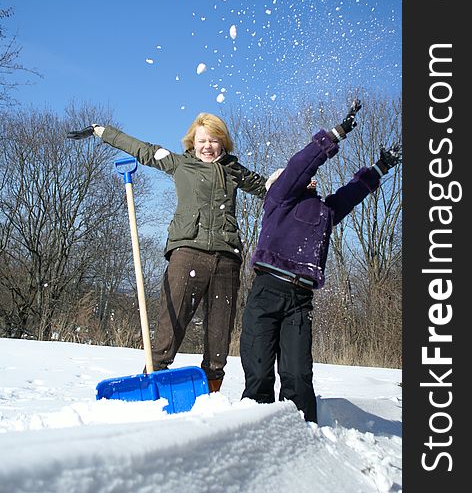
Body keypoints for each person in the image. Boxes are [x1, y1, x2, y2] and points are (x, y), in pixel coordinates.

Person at [67, 113, 267, 392]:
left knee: (220, 330)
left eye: (213, 140)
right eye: (202, 140)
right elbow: (143, 150)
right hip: (188, 252)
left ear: (223, 142)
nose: (207, 146)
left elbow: (270, 189)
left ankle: (211, 386)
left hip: (227, 257)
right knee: (171, 321)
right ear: (192, 142)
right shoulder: (180, 163)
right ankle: (154, 376)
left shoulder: (234, 170)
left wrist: (300, 185)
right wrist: (101, 131)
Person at [239, 100, 401, 422]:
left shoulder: (324, 213)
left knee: (298, 377)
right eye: (300, 177)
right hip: (266, 292)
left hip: (300, 300)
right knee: (258, 372)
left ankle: (302, 438)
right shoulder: (280, 198)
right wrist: (335, 134)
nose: (308, 179)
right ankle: (253, 430)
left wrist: (381, 167)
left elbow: (352, 193)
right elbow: (301, 165)